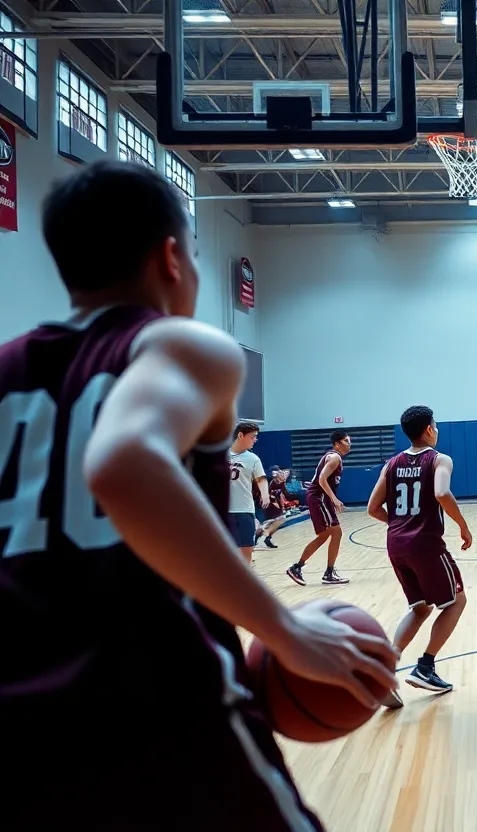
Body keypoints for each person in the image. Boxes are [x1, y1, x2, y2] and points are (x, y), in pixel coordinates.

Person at [0, 160, 396, 830]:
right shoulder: (178, 344)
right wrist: (284, 627)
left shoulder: (6, 369)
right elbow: (124, 463)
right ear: (172, 257)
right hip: (156, 711)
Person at [368, 405, 473, 700]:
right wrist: (463, 526)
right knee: (456, 601)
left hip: (396, 545)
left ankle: (384, 671)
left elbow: (372, 508)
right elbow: (441, 493)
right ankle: (425, 667)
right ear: (429, 429)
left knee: (421, 607)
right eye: (436, 426)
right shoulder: (440, 460)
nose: (437, 430)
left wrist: (400, 523)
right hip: (425, 544)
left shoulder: (391, 464)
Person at [287, 430, 351, 586]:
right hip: (319, 497)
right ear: (337, 444)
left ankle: (300, 567)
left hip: (320, 498)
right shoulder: (335, 457)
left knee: (328, 535)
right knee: (335, 532)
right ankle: (324, 572)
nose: (350, 444)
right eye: (347, 441)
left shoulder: (334, 457)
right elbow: (322, 479)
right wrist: (334, 499)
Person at [228, 421, 269, 565]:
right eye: (253, 437)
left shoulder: (253, 459)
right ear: (240, 435)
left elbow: (261, 479)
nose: (255, 440)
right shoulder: (220, 455)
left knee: (247, 548)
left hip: (244, 509)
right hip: (222, 510)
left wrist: (265, 495)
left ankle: (243, 575)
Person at [256, 467, 295, 548]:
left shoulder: (282, 483)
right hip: (268, 503)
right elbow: (266, 493)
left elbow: (286, 494)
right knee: (278, 520)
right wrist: (274, 502)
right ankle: (265, 536)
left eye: (287, 474)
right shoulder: (272, 482)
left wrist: (295, 498)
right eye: (283, 473)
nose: (285, 475)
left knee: (275, 522)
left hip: (276, 504)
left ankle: (264, 537)